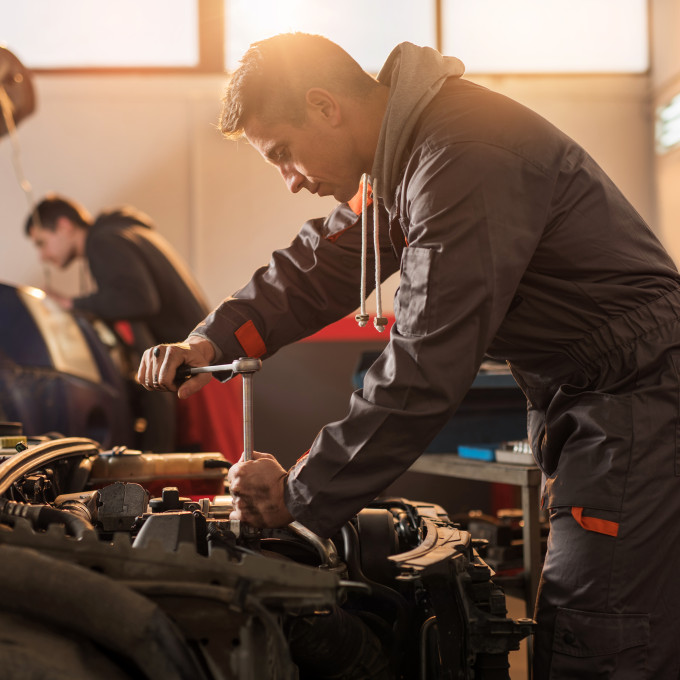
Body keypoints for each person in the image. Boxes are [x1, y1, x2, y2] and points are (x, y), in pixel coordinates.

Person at [138, 33, 680, 678]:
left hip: (635, 397)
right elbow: (319, 264)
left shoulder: (460, 156)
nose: (288, 182)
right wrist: (213, 340)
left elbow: (424, 364)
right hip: (594, 398)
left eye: (283, 154)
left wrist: (301, 495)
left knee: (603, 642)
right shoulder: (410, 156)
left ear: (324, 105)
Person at [25, 195, 241, 457]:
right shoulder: (122, 233)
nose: (42, 256)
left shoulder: (103, 241)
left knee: (205, 476)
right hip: (206, 363)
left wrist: (69, 303)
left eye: (42, 243)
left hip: (196, 370)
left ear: (64, 225)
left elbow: (139, 300)